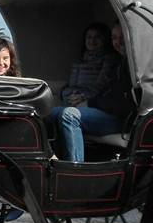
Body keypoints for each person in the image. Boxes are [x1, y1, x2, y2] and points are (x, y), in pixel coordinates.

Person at [50, 23, 132, 162]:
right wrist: (69, 95)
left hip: (120, 118)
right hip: (101, 109)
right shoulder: (119, 64)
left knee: (69, 115)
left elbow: (114, 98)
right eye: (115, 38)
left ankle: (75, 168)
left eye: (122, 37)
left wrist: (87, 101)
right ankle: (56, 161)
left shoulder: (120, 64)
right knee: (51, 112)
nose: (119, 42)